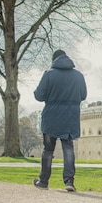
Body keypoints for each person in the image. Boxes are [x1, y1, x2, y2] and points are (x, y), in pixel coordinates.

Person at [33, 49, 87, 191]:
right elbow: (83, 95)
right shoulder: (78, 76)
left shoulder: (49, 74)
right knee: (68, 149)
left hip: (52, 116)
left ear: (54, 60)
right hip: (70, 117)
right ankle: (69, 181)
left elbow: (39, 96)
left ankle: (43, 181)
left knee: (48, 150)